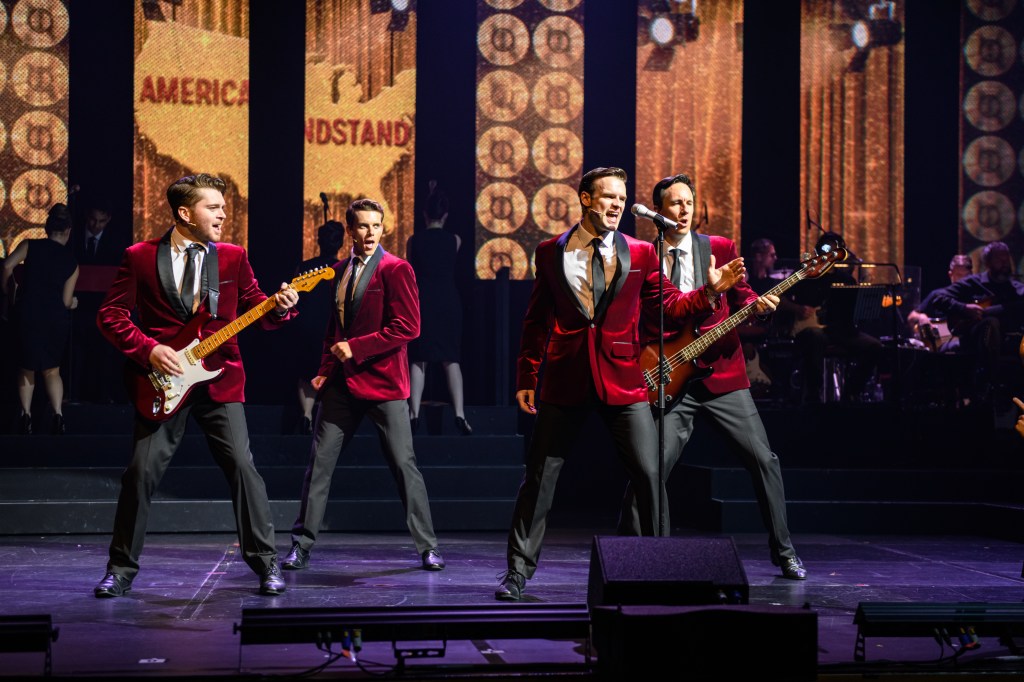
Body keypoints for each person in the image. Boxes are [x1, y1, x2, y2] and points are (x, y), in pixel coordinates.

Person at [495, 167, 747, 601]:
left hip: (624, 379)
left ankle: (662, 569)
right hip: (566, 379)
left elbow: (670, 303)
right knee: (539, 479)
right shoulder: (550, 252)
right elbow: (538, 319)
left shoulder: (640, 254)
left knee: (651, 476)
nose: (615, 205)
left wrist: (710, 294)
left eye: (620, 198)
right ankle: (518, 572)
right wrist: (527, 373)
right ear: (586, 199)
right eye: (607, 197)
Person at [92, 173, 299, 598]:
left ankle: (266, 564)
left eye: (224, 206)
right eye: (213, 207)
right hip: (163, 381)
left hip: (221, 379)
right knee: (140, 474)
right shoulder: (139, 256)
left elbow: (255, 307)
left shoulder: (233, 257)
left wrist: (279, 308)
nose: (223, 213)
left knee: (244, 469)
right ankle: (120, 569)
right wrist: (149, 349)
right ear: (185, 213)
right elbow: (110, 315)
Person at [615, 173, 806, 581]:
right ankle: (627, 551)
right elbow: (653, 313)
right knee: (650, 470)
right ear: (658, 212)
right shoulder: (645, 256)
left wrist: (760, 304)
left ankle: (785, 552)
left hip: (722, 375)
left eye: (689, 203)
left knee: (764, 460)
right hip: (672, 375)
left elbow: (743, 296)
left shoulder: (718, 248)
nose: (683, 211)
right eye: (674, 204)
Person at [282, 198, 446, 573]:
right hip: (341, 385)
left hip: (385, 384)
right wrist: (325, 369)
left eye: (376, 226)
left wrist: (355, 348)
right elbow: (333, 330)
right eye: (363, 226)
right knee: (318, 466)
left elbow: (408, 327)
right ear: (350, 229)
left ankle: (428, 547)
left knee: (405, 467)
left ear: (383, 228)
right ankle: (301, 545)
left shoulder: (396, 268)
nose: (370, 233)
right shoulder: (339, 270)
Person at [1, 204, 79, 434]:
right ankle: (58, 415)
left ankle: (26, 416)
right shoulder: (72, 262)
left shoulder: (30, 246)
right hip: (55, 319)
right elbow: (66, 301)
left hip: (29, 314)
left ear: (46, 227)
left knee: (26, 368)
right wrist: (73, 302)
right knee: (52, 370)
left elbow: (6, 265)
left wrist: (8, 288)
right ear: (68, 231)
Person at [406, 181, 472, 435]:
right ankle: (459, 414)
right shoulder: (455, 240)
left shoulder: (414, 241)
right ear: (445, 215)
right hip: (448, 302)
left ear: (424, 214)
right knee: (451, 359)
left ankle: (414, 414)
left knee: (419, 358)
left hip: (422, 301)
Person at [930, 241, 1024, 405]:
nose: (1004, 264)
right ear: (987, 263)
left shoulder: (1018, 289)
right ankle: (986, 389)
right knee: (991, 323)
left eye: (1006, 259)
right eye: (999, 260)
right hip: (976, 344)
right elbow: (938, 299)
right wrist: (964, 308)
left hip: (1012, 344)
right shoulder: (973, 283)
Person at [70, 194, 133, 404]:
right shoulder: (72, 237)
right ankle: (74, 395)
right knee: (75, 353)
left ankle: (104, 396)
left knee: (105, 354)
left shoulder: (118, 242)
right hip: (76, 307)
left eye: (101, 221)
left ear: (109, 220)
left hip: (105, 308)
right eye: (92, 220)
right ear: (86, 217)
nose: (96, 225)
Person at [292, 220, 345, 434]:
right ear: (341, 243)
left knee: (306, 374)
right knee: (328, 374)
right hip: (330, 327)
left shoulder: (305, 267)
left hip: (307, 325)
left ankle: (306, 414)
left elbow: (294, 299)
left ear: (318, 241)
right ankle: (326, 421)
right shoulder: (343, 269)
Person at [905, 254, 972, 351]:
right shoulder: (938, 295)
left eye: (965, 276)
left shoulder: (974, 297)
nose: (962, 280)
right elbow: (911, 316)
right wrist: (922, 317)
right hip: (938, 347)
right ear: (950, 275)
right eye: (959, 275)